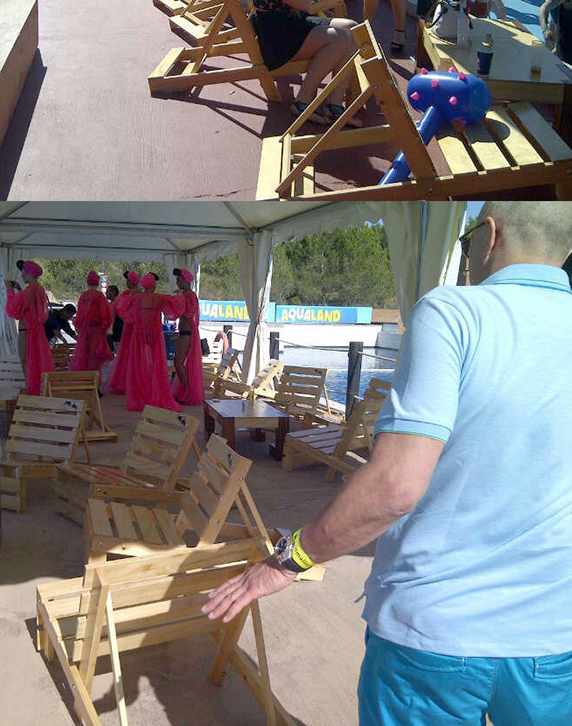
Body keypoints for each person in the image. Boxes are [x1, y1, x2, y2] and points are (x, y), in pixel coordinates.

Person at [203, 201, 572, 726]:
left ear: (488, 235)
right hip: (555, 638)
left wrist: (288, 560)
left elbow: (395, 487)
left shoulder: (456, 312)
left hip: (434, 633)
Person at [112, 272, 181, 412]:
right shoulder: (159, 298)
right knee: (156, 367)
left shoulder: (136, 298)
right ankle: (154, 395)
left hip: (138, 336)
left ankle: (139, 397)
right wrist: (180, 294)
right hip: (155, 337)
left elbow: (121, 307)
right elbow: (175, 307)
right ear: (154, 285)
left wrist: (130, 296)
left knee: (138, 367)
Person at [4, 260, 55, 395]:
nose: (22, 275)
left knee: (26, 364)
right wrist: (19, 290)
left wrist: (9, 291)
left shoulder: (30, 290)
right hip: (36, 332)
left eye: (24, 273)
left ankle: (31, 393)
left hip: (26, 332)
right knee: (35, 363)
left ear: (29, 274)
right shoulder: (39, 289)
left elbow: (13, 309)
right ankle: (36, 391)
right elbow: (28, 306)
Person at [168, 267, 204, 405]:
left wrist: (180, 298)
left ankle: (188, 391)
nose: (177, 283)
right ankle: (186, 390)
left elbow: (188, 312)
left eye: (179, 280)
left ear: (185, 281)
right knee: (178, 363)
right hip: (183, 333)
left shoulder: (190, 295)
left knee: (178, 363)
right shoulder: (186, 295)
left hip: (188, 334)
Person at [70, 270, 114, 376]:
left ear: (87, 282)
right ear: (98, 282)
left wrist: (80, 329)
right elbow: (106, 315)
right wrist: (104, 329)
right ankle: (94, 381)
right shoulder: (99, 296)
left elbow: (79, 316)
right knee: (95, 358)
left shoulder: (83, 296)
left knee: (84, 356)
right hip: (96, 332)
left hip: (84, 332)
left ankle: (84, 379)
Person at [106, 271, 141, 394]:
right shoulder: (135, 294)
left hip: (129, 330)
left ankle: (129, 382)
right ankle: (133, 382)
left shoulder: (127, 295)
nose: (127, 282)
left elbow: (116, 309)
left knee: (127, 356)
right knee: (133, 356)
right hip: (134, 329)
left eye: (128, 280)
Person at [105, 284, 123, 355]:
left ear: (113, 292)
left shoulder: (117, 303)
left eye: (108, 291)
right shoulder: (111, 304)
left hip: (117, 333)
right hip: (113, 334)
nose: (106, 293)